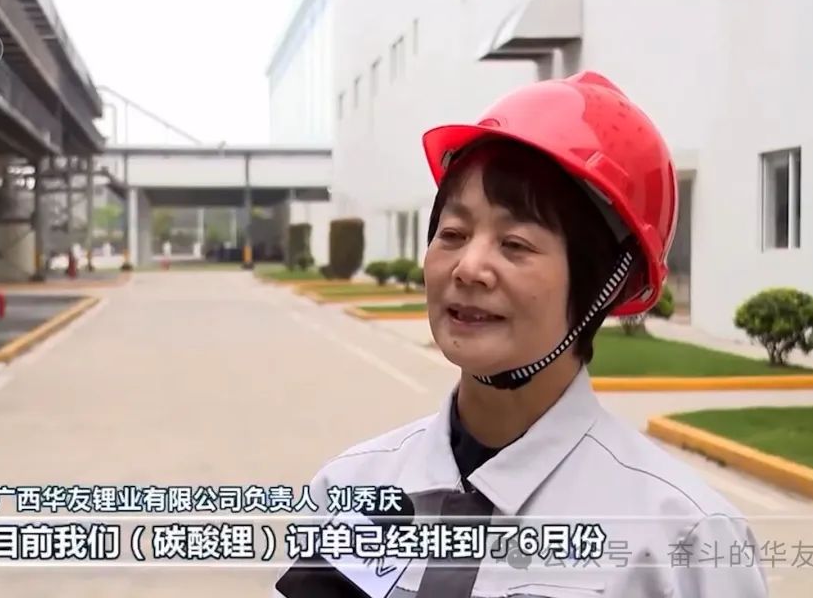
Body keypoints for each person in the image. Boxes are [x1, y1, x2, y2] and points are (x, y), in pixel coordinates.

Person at [291, 72, 768, 597]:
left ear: (607, 283)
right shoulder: (351, 489)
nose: (469, 267)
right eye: (453, 233)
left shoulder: (684, 541)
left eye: (515, 244)